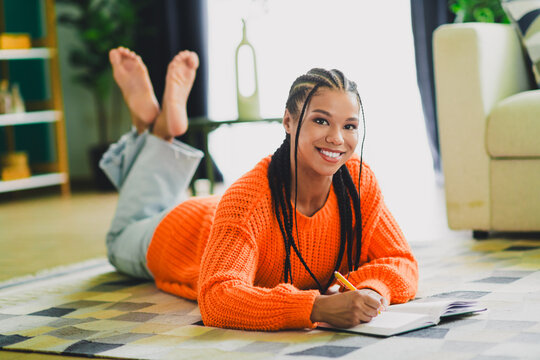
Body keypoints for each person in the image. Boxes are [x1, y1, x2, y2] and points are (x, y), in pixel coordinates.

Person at [101, 46, 418, 332]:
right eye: (321, 121)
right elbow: (217, 299)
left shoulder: (357, 184)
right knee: (119, 238)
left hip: (216, 212)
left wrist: (372, 291)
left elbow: (400, 260)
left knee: (159, 197)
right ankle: (155, 133)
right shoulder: (250, 200)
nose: (338, 138)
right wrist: (316, 307)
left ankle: (152, 130)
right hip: (175, 233)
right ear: (289, 122)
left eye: (349, 126)